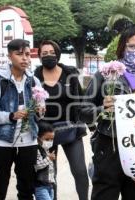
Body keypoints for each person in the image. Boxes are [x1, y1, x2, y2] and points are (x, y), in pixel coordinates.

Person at [80, 25, 135, 200]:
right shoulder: (105, 75)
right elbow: (83, 112)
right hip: (108, 150)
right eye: (132, 46)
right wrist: (103, 109)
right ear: (122, 47)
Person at [0, 39, 44, 200]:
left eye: (27, 54)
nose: (25, 58)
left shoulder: (34, 80)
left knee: (27, 188)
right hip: (1, 141)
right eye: (19, 54)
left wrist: (40, 111)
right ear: (9, 56)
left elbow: (39, 110)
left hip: (29, 141)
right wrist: (11, 116)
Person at [34, 40, 89, 200]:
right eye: (44, 53)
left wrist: (88, 125)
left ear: (57, 54)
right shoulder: (34, 77)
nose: (48, 56)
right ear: (39, 56)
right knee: (50, 174)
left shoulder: (69, 74)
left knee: (79, 171)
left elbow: (80, 100)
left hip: (70, 129)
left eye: (52, 53)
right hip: (46, 133)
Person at [35, 121, 56, 200]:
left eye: (52, 139)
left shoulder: (47, 150)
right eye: (47, 139)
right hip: (40, 187)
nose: (50, 142)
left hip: (50, 186)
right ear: (38, 138)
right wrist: (48, 159)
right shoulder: (37, 150)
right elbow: (36, 166)